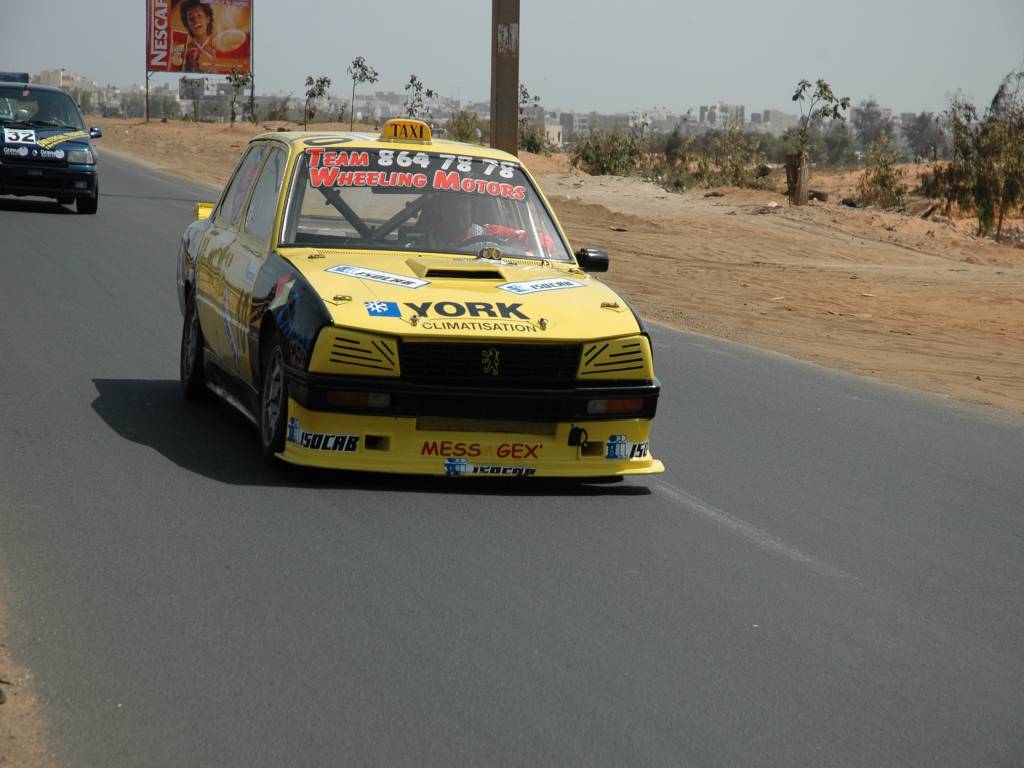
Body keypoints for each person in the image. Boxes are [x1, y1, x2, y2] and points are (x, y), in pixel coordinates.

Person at [179, 0, 216, 73]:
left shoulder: (217, 45)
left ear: (208, 19)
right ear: (187, 24)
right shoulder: (185, 50)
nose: (195, 20)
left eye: (199, 15)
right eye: (191, 18)